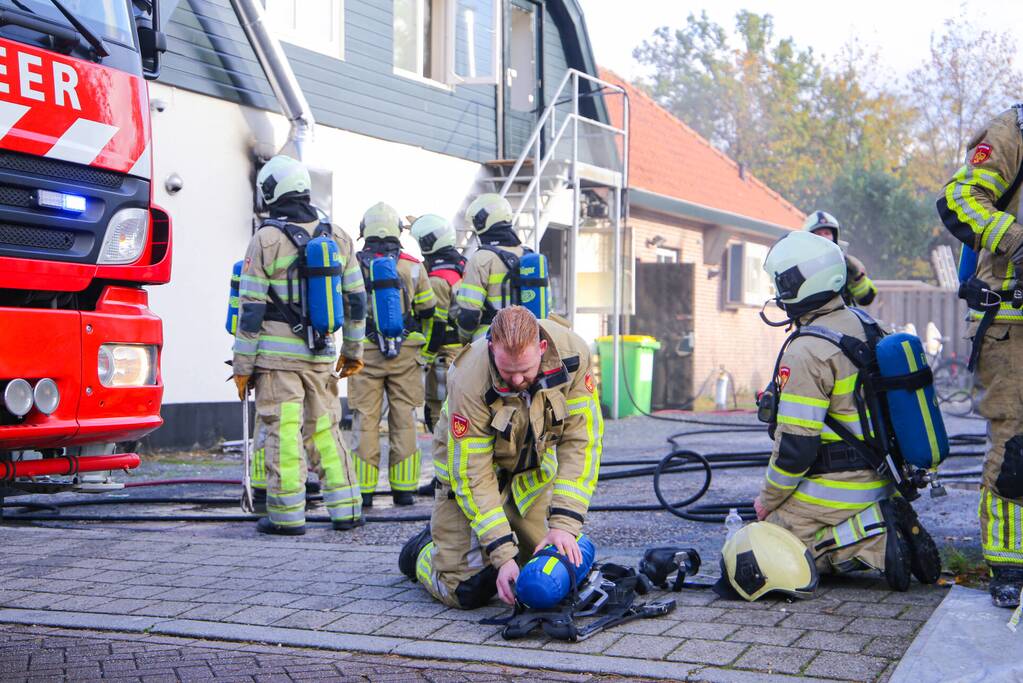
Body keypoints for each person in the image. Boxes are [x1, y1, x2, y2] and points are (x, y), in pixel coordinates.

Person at [754, 231, 940, 589]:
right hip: (883, 480)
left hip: (834, 491)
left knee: (769, 549)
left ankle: (878, 539)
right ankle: (880, 518)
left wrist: (767, 501)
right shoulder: (871, 326)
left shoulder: (806, 351)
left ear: (798, 285)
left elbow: (796, 451)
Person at [397, 306, 603, 608]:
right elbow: (473, 474)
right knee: (467, 590)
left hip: (528, 476)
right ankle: (424, 552)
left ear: (542, 348)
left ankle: (500, 539)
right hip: (468, 482)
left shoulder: (573, 355)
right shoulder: (467, 379)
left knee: (540, 568)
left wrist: (563, 525)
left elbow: (582, 443)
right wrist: (503, 553)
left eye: (526, 370)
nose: (518, 380)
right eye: (508, 371)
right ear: (492, 348)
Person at [231, 154, 366, 535]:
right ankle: (347, 509)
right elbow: (356, 301)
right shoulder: (337, 236)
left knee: (284, 433)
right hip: (322, 356)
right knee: (325, 429)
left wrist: (242, 367)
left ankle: (287, 516)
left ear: (271, 191)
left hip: (276, 361)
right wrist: (352, 352)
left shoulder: (266, 239)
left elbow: (252, 307)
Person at [937, 104, 1023, 608]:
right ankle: (1010, 564)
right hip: (1013, 327)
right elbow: (960, 198)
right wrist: (1016, 241)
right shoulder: (1011, 133)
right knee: (1016, 446)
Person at [350, 202, 436, 507]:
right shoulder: (413, 264)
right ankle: (404, 490)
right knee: (404, 420)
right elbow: (428, 309)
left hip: (364, 351)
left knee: (365, 420)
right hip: (406, 353)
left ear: (366, 230)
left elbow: (348, 308)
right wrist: (420, 346)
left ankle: (364, 491)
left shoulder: (354, 264)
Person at [409, 214, 466, 432]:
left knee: (439, 412)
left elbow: (436, 325)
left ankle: (443, 464)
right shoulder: (461, 266)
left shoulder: (436, 279)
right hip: (462, 350)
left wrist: (425, 356)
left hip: (444, 355)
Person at [455, 193, 528, 342]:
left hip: (490, 340)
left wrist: (464, 339)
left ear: (481, 223)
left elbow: (469, 314)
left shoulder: (480, 258)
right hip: (527, 338)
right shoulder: (528, 255)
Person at [802, 210, 877, 307]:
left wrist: (857, 279)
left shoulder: (846, 264)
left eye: (827, 233)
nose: (824, 237)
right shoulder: (800, 265)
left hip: (842, 316)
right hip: (810, 319)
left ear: (834, 236)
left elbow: (866, 299)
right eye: (819, 234)